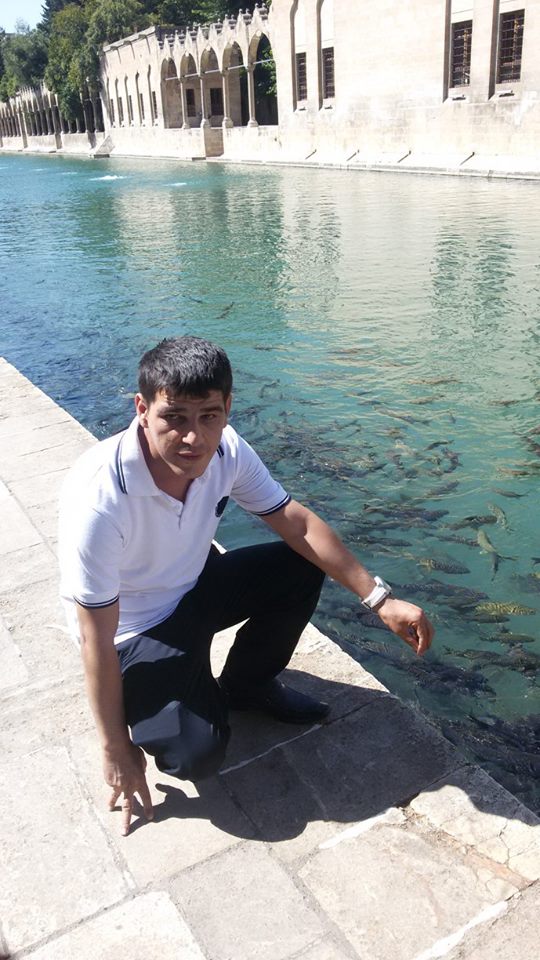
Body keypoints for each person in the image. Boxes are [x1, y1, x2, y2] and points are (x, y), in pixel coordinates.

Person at [59, 336, 434, 836]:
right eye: (175, 417)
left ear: (227, 408)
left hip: (193, 584)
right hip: (136, 629)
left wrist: (379, 599)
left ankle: (247, 685)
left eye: (209, 416)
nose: (193, 438)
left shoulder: (227, 448)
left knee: (301, 564)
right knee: (198, 754)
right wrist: (114, 747)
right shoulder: (100, 500)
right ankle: (175, 693)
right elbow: (96, 638)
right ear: (142, 410)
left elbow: (296, 523)